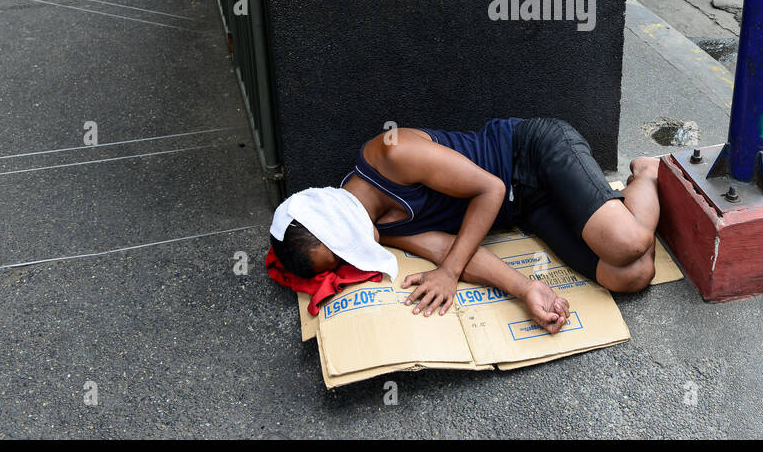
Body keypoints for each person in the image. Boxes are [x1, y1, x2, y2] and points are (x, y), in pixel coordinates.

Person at [268, 118, 662, 334]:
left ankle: (644, 173)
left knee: (627, 243)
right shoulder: (376, 229)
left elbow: (489, 189)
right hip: (524, 207)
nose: (349, 265)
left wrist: (448, 274)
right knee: (631, 274)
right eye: (341, 262)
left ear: (335, 222)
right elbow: (448, 250)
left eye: (341, 252)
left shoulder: (392, 151)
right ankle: (614, 212)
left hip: (533, 154)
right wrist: (527, 288)